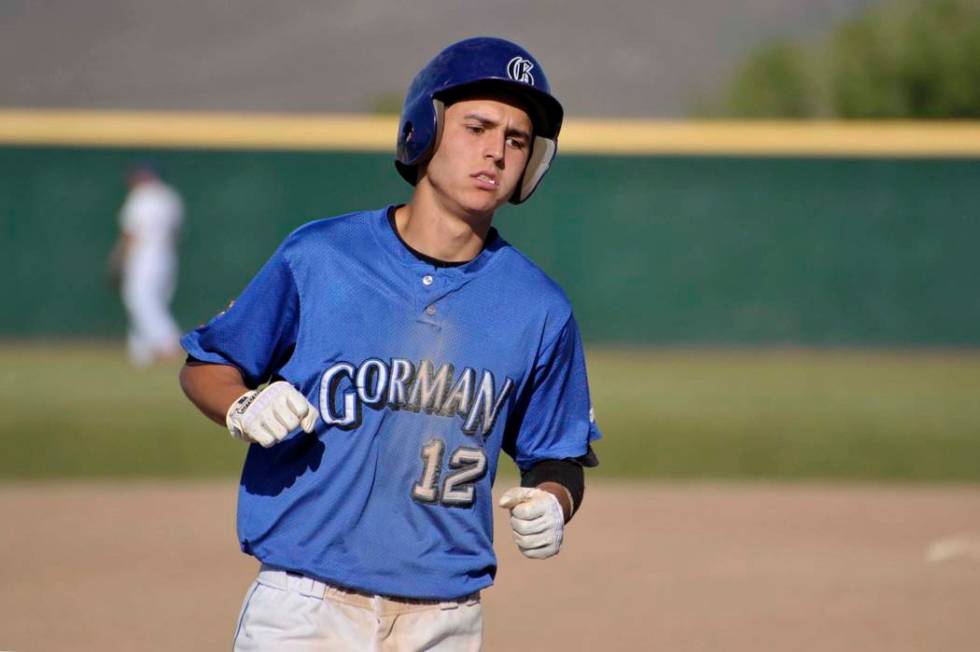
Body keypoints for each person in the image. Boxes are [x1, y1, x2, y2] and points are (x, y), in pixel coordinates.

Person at [179, 36, 601, 651]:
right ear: (423, 130)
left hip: (446, 617)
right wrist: (242, 405)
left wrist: (554, 502)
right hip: (303, 606)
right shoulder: (321, 257)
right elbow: (207, 365)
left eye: (516, 139)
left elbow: (556, 454)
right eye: (477, 126)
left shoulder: (540, 307)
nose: (496, 151)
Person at [108, 164, 184, 366]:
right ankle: (142, 351)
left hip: (143, 255)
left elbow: (130, 234)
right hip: (166, 254)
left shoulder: (140, 197)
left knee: (140, 300)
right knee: (155, 301)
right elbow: (176, 233)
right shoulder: (170, 196)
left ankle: (169, 343)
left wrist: (117, 259)